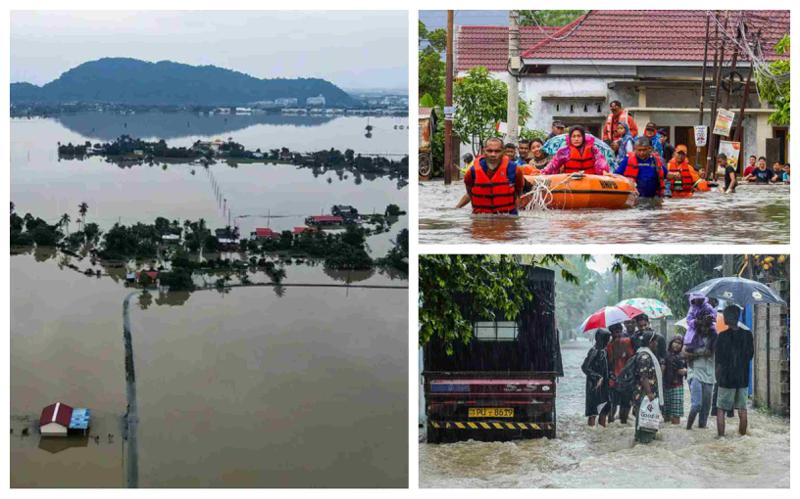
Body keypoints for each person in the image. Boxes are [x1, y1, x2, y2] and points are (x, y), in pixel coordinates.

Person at [715, 305, 754, 437]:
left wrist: (718, 378)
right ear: (737, 318)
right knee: (742, 409)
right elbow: (750, 356)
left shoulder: (721, 336)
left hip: (726, 379)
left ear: (726, 318)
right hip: (742, 379)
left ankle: (721, 437)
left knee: (721, 409)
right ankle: (743, 437)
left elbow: (719, 361)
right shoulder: (748, 335)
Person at [462, 137, 525, 214]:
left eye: (497, 151)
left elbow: (519, 193)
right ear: (483, 151)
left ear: (503, 152)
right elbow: (470, 193)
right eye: (489, 151)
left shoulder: (515, 170)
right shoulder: (472, 172)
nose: (493, 154)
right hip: (481, 218)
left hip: (507, 217)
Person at [683, 311, 717, 429]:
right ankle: (688, 428)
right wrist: (700, 354)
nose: (705, 328)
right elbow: (684, 353)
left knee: (706, 409)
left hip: (709, 375)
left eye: (707, 325)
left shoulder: (714, 337)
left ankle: (701, 432)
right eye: (703, 325)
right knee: (696, 405)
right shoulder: (691, 337)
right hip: (695, 373)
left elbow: (714, 353)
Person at [615, 137, 670, 201]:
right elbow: (617, 175)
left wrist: (674, 175)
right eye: (639, 150)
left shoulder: (655, 161)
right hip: (634, 198)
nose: (642, 153)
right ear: (635, 149)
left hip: (653, 198)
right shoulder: (628, 160)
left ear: (649, 149)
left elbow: (665, 174)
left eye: (644, 150)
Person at [632, 330, 663, 443]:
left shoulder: (646, 354)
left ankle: (642, 441)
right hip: (644, 393)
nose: (657, 344)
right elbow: (643, 377)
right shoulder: (645, 357)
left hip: (645, 393)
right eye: (655, 341)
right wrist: (649, 393)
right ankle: (642, 441)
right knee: (644, 418)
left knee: (645, 417)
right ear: (650, 342)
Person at [542, 125, 610, 176]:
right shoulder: (564, 151)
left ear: (583, 137)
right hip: (571, 182)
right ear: (570, 138)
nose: (576, 139)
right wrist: (543, 172)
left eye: (579, 136)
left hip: (590, 181)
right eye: (573, 136)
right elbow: (553, 165)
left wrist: (603, 171)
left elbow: (600, 161)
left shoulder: (593, 149)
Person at [606, 323, 635, 424]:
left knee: (624, 404)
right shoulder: (609, 345)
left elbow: (631, 358)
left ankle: (620, 423)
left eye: (619, 331)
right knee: (614, 405)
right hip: (616, 379)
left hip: (622, 379)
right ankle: (615, 422)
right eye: (615, 332)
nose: (617, 334)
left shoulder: (625, 342)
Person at [582, 329, 611, 427]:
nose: (608, 341)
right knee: (593, 412)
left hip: (604, 386)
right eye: (606, 339)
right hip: (594, 386)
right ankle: (592, 432)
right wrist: (597, 377)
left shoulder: (603, 351)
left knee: (604, 409)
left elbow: (605, 368)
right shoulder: (594, 351)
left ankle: (602, 432)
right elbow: (585, 367)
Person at [664, 335, 688, 424]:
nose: (677, 345)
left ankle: (675, 428)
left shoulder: (683, 356)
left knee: (676, 413)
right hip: (666, 386)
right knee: (666, 413)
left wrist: (685, 371)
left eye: (679, 343)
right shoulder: (665, 354)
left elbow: (688, 368)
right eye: (675, 342)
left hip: (678, 386)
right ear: (671, 343)